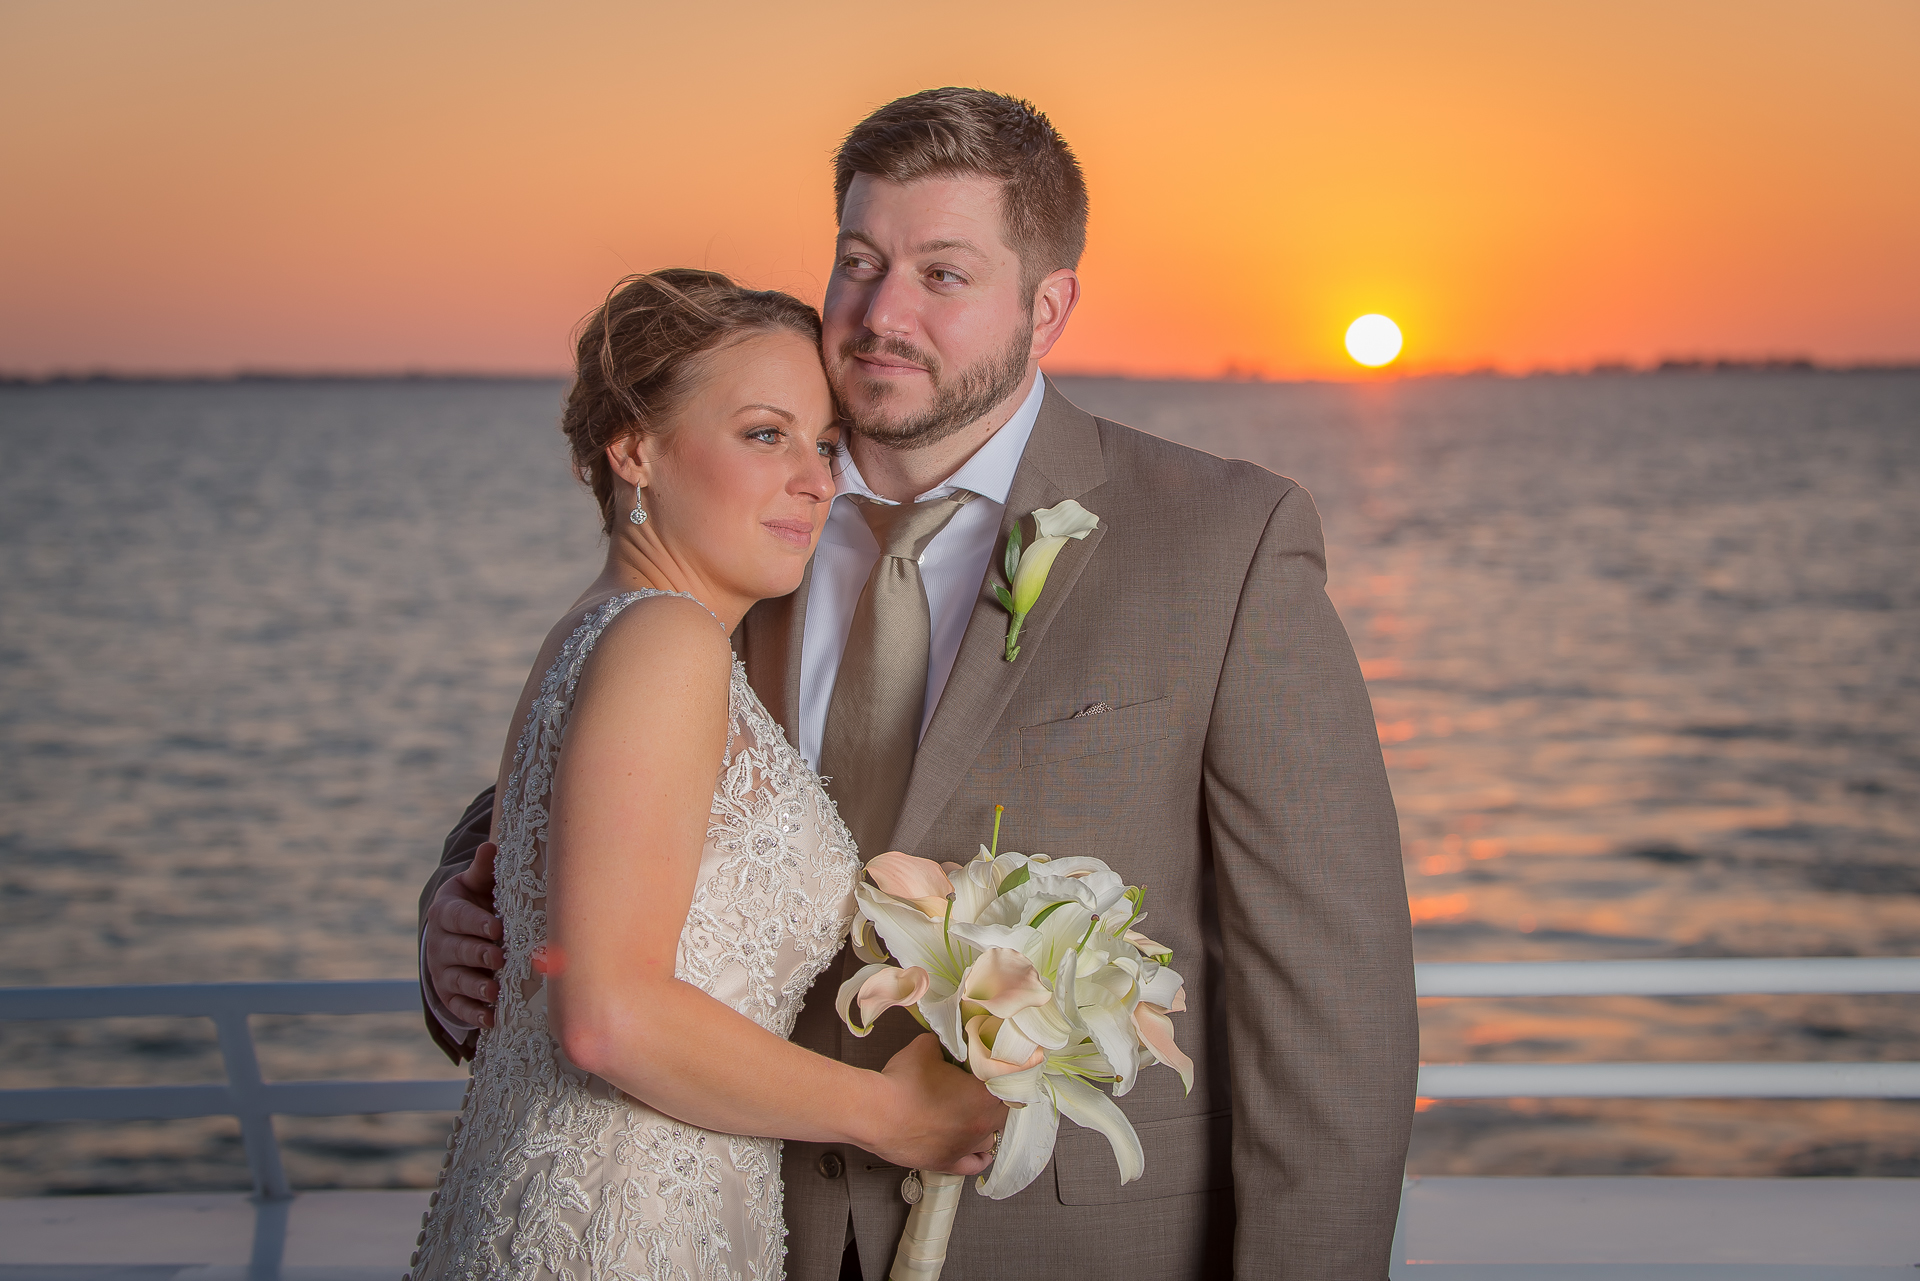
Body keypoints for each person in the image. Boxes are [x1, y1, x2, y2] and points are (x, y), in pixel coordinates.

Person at [425, 90, 1419, 1280]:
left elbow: (1330, 991)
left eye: (943, 274)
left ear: (1045, 307)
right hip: (741, 1217)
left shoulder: (1223, 541)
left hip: (1068, 1242)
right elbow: (575, 790)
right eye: (859, 261)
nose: (881, 313)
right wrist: (459, 919)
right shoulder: (745, 526)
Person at [406, 269, 1005, 1281]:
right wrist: (891, 1116)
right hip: (619, 1231)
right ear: (634, 447)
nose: (817, 479)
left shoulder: (602, 636)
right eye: (766, 434)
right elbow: (607, 1018)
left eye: (824, 446)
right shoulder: (666, 644)